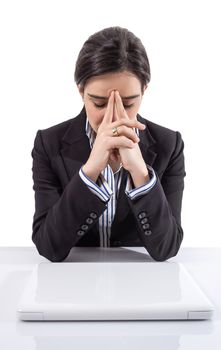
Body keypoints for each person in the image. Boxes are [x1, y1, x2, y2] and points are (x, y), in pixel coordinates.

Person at [31, 26, 186, 262]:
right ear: (81, 91)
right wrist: (90, 170)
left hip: (141, 285)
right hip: (71, 286)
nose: (113, 117)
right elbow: (48, 246)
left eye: (128, 103)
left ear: (144, 90)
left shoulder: (169, 145)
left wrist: (140, 172)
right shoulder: (49, 144)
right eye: (100, 103)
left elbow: (167, 248)